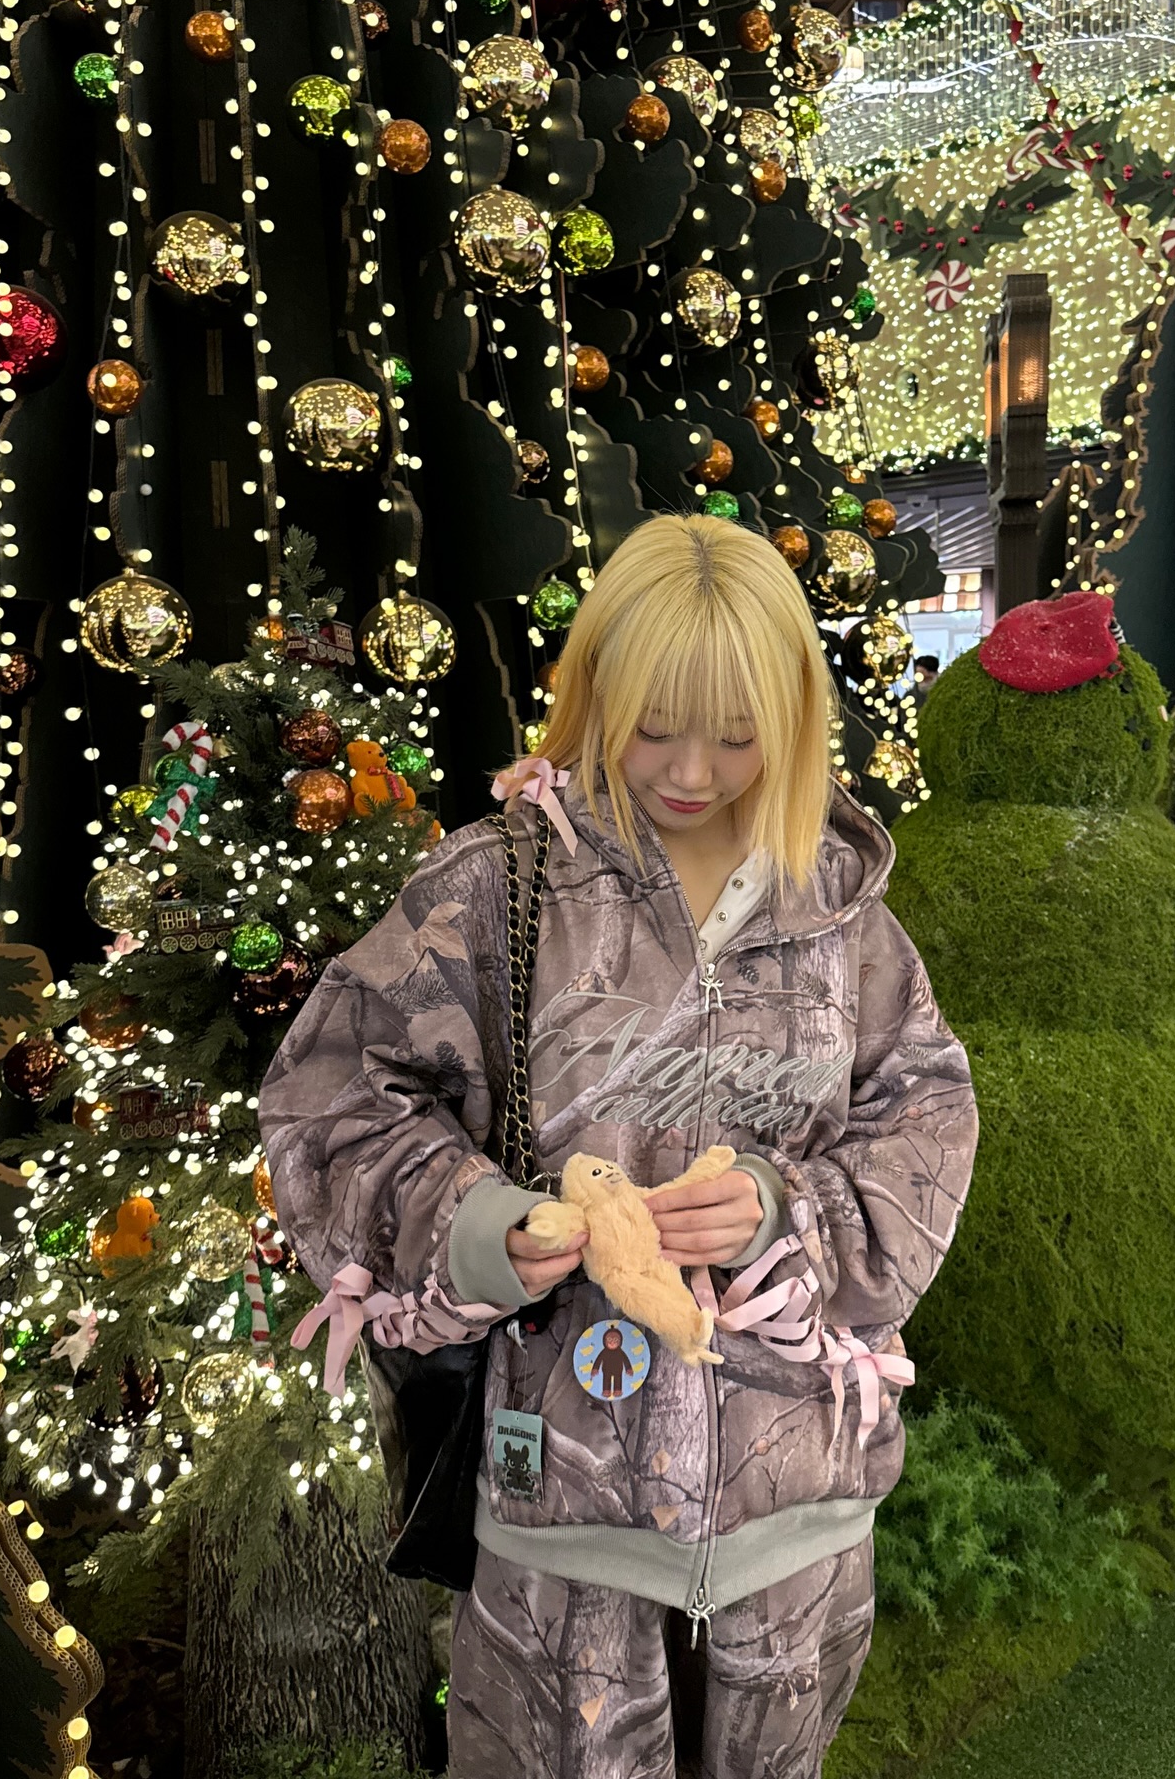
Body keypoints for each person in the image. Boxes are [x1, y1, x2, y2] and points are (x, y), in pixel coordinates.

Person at [259, 514, 979, 1779]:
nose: (693, 770)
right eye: (655, 725)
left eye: (738, 733)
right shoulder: (496, 889)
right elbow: (330, 1099)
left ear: (793, 717)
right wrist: (477, 1223)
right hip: (558, 1521)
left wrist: (789, 1212)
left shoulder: (839, 911)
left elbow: (926, 1110)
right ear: (595, 690)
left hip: (800, 1525)